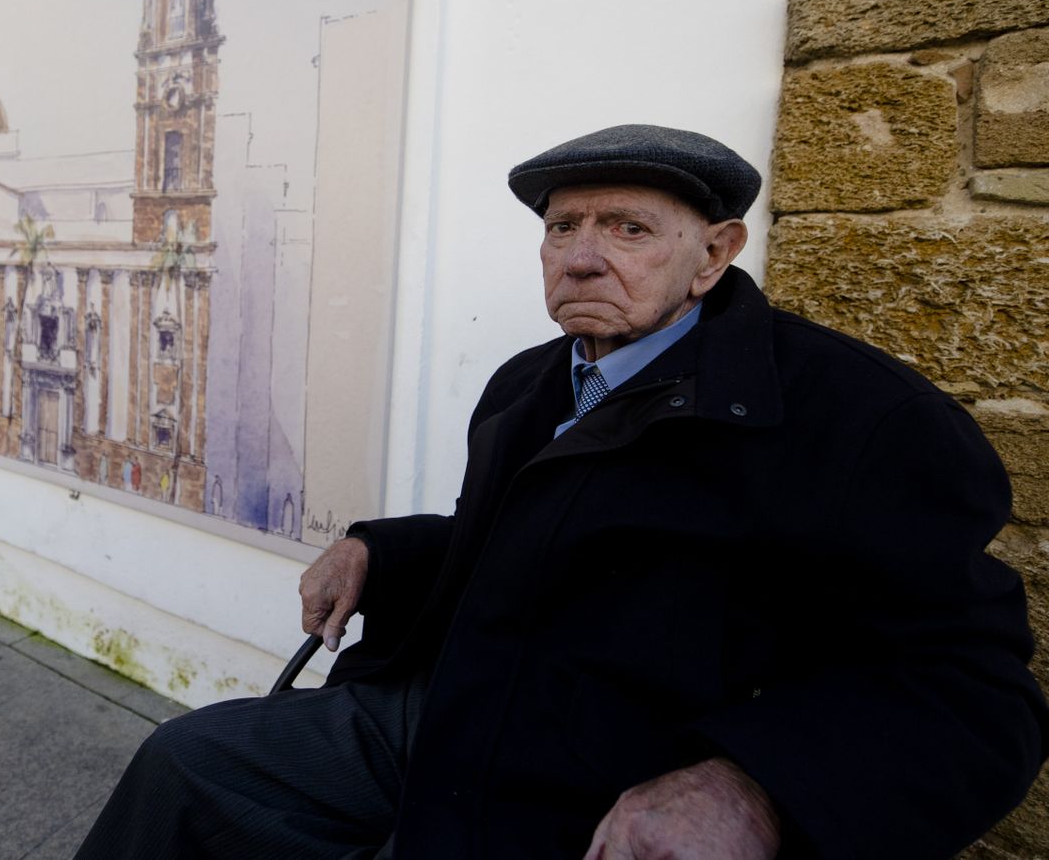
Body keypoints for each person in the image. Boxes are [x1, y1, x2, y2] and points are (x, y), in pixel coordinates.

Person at [77, 125, 1048, 859]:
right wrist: (380, 549)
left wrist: (756, 784)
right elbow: (503, 540)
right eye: (563, 227)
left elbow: (973, 694)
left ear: (712, 254)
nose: (582, 253)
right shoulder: (530, 382)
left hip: (620, 770)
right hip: (449, 711)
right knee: (186, 763)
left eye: (628, 227)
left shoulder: (852, 415)